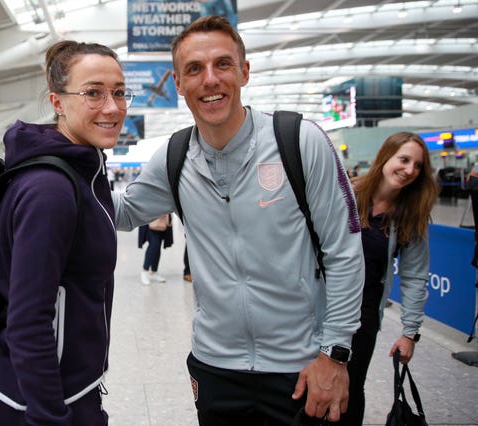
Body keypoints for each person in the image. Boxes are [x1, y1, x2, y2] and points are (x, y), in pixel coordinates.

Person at [113, 15, 364, 424]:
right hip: (216, 367)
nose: (209, 79)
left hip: (299, 367)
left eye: (223, 64)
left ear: (244, 72)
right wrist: (62, 156)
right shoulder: (174, 157)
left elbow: (345, 252)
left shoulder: (300, 142)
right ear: (178, 84)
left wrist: (335, 354)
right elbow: (120, 213)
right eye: (194, 69)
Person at [0, 40, 133, 426]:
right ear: (57, 102)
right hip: (33, 405)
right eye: (93, 92)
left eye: (119, 92)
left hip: (68, 390)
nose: (113, 107)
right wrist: (49, 417)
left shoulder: (81, 172)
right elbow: (29, 321)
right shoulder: (51, 190)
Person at [338, 132, 438, 425]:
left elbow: (415, 276)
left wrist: (409, 333)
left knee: (349, 388)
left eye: (418, 166)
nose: (410, 170)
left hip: (363, 316)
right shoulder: (346, 194)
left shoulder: (410, 215)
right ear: (385, 157)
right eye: (404, 160)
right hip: (320, 308)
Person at [139, 213, 173, 285]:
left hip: (163, 219)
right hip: (151, 217)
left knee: (157, 248)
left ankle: (154, 271)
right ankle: (145, 270)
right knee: (154, 245)